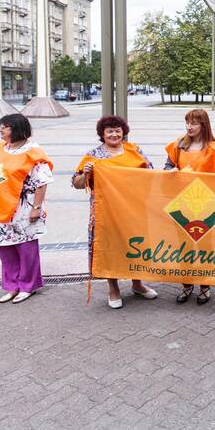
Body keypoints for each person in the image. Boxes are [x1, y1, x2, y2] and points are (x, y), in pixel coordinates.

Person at [73, 115, 159, 309]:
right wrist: (86, 173)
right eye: (109, 131)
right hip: (105, 213)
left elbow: (151, 173)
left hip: (133, 209)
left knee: (134, 245)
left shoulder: (134, 151)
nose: (114, 134)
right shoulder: (93, 155)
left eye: (117, 130)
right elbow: (77, 184)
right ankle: (113, 288)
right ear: (102, 134)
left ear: (124, 132)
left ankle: (137, 284)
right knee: (110, 247)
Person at [0, 114, 53, 305]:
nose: (0, 130)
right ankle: (12, 285)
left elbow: (42, 183)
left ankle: (27, 285)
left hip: (23, 207)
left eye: (4, 127)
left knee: (26, 247)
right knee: (4, 246)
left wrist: (36, 208)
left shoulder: (33, 151)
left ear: (16, 129)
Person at [163, 108, 215, 305]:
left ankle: (205, 285)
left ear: (203, 125)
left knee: (205, 247)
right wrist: (172, 170)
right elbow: (166, 168)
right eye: (187, 122)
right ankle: (186, 284)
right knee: (184, 246)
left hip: (206, 205)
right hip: (181, 204)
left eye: (193, 123)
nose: (189, 127)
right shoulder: (177, 146)